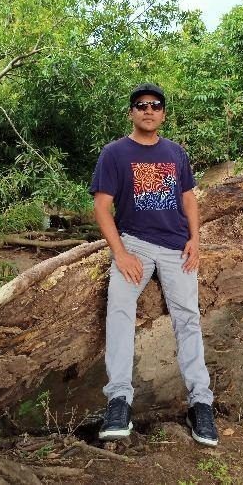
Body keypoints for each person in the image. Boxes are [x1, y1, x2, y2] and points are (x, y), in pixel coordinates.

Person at [89, 82, 219, 447]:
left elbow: (189, 199)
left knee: (188, 319)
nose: (148, 110)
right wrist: (120, 253)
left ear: (162, 113)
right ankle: (118, 400)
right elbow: (102, 207)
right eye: (141, 105)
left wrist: (195, 239)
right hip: (134, 245)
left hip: (177, 247)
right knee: (118, 310)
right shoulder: (114, 153)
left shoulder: (176, 153)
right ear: (131, 112)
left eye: (155, 105)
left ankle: (200, 405)